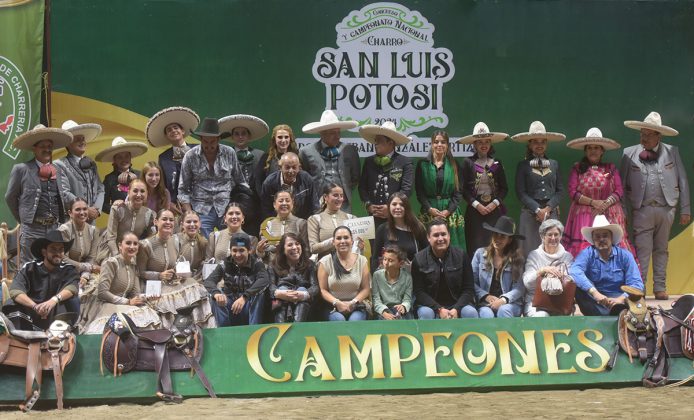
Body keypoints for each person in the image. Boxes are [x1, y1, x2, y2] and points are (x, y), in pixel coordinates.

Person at [620, 111, 690, 300]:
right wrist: (623, 211)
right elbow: (621, 185)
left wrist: (685, 208)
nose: (644, 137)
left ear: (658, 135)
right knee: (642, 249)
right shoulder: (628, 153)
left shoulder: (672, 151)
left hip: (666, 209)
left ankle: (660, 287)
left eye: (648, 134)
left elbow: (682, 179)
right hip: (641, 210)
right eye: (642, 133)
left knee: (661, 249)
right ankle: (638, 287)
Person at [5, 125, 72, 265]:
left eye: (49, 146)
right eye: (43, 146)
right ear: (34, 148)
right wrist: (24, 219)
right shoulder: (22, 169)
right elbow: (10, 197)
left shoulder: (57, 170)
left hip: (53, 227)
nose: (47, 149)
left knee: (53, 265)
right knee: (30, 267)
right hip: (32, 229)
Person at [562, 128, 635, 257]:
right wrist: (593, 202)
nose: (593, 151)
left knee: (610, 250)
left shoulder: (610, 168)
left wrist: (604, 205)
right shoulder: (577, 168)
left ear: (602, 151)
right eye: (590, 148)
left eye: (596, 148)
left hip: (608, 215)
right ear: (585, 151)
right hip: (584, 217)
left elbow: (619, 191)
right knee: (584, 252)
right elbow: (572, 192)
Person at [137, 209, 215, 328]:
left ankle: (197, 332)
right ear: (156, 222)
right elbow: (139, 272)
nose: (168, 222)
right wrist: (159, 275)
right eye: (164, 219)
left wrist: (176, 273)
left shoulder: (174, 241)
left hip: (171, 284)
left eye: (171, 220)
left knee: (197, 291)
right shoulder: (145, 244)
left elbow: (175, 264)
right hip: (153, 287)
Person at [78, 232, 161, 334]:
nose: (132, 246)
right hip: (104, 305)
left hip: (123, 305)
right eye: (128, 243)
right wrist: (127, 302)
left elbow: (135, 294)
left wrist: (147, 297)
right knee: (123, 325)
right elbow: (102, 293)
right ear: (120, 246)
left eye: (135, 244)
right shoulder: (110, 263)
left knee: (149, 314)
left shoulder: (133, 267)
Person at [178, 117, 247, 238]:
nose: (209, 145)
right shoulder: (190, 156)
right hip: (200, 208)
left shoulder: (229, 153)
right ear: (200, 139)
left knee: (229, 244)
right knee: (204, 245)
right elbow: (183, 188)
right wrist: (189, 212)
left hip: (226, 207)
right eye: (206, 141)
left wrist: (239, 205)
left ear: (219, 139)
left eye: (213, 142)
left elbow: (240, 181)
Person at [2, 229, 79, 330]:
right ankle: (19, 339)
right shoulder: (30, 268)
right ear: (44, 252)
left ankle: (60, 337)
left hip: (56, 312)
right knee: (11, 304)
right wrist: (35, 306)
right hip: (31, 313)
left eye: (61, 249)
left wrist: (53, 301)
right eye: (53, 249)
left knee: (72, 301)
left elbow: (72, 288)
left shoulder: (69, 269)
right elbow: (15, 291)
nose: (58, 253)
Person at [569, 215, 643, 316]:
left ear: (611, 238)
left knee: (637, 293)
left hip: (620, 299)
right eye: (597, 236)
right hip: (595, 300)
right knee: (577, 288)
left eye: (605, 235)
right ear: (593, 239)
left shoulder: (625, 255)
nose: (601, 239)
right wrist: (595, 293)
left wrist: (620, 299)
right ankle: (615, 313)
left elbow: (637, 283)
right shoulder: (586, 253)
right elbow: (574, 271)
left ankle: (616, 311)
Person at [512, 121, 566, 257]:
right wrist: (537, 209)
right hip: (530, 215)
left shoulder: (554, 164)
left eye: (543, 142)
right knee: (528, 250)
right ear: (530, 144)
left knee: (552, 249)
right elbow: (520, 192)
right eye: (535, 141)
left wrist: (547, 209)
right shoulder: (523, 165)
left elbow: (560, 191)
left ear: (546, 144)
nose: (539, 145)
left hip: (551, 214)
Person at [457, 122, 510, 255]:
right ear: (474, 144)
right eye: (480, 142)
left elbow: (504, 188)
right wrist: (476, 205)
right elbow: (463, 189)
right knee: (475, 245)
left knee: (494, 245)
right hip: (475, 211)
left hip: (494, 210)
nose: (484, 145)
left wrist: (495, 203)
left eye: (487, 141)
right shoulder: (467, 163)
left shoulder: (497, 163)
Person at [411, 220, 477, 319]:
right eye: (436, 235)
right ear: (428, 238)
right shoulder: (419, 259)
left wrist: (456, 309)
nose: (440, 238)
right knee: (426, 314)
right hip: (430, 306)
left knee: (470, 313)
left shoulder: (461, 255)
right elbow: (419, 291)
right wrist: (439, 309)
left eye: (443, 234)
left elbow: (468, 289)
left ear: (449, 236)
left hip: (458, 304)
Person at [219, 114, 269, 236]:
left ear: (249, 136)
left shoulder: (260, 155)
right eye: (236, 133)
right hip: (232, 204)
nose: (240, 136)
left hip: (255, 206)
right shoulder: (224, 155)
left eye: (243, 133)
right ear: (232, 136)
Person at [300, 110, 360, 213]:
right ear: (322, 133)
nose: (338, 136)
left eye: (338, 132)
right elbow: (304, 179)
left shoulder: (350, 150)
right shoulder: (306, 152)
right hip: (317, 205)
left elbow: (355, 177)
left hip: (343, 205)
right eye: (333, 133)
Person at [204, 232, 268, 326]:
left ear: (249, 250)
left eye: (241, 250)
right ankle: (223, 332)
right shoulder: (224, 263)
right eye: (234, 250)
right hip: (230, 306)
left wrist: (244, 297)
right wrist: (216, 293)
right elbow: (209, 281)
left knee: (260, 294)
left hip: (248, 306)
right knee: (215, 297)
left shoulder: (256, 263)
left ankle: (254, 330)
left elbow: (264, 280)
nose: (238, 255)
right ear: (230, 250)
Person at [415, 130, 466, 248]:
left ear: (447, 145)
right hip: (429, 211)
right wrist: (429, 208)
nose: (439, 145)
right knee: (428, 246)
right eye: (436, 142)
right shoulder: (422, 164)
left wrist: (448, 211)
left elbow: (458, 192)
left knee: (453, 247)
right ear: (431, 144)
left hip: (450, 212)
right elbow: (419, 191)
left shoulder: (455, 165)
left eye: (443, 142)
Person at [358, 121, 414, 227]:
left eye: (379, 141)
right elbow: (362, 187)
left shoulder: (404, 162)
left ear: (391, 143)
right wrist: (368, 205)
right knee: (373, 243)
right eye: (375, 141)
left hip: (396, 216)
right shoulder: (369, 161)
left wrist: (391, 208)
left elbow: (406, 190)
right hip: (373, 217)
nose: (376, 144)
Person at [145, 106, 200, 213]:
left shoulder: (198, 149)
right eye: (169, 130)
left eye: (176, 128)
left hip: (200, 203)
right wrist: (169, 203)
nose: (173, 131)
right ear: (166, 136)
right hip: (176, 206)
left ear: (183, 131)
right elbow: (162, 184)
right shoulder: (163, 158)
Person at [471, 216, 525, 318]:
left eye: (502, 236)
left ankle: (507, 334)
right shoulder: (480, 254)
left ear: (509, 240)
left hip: (510, 304)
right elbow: (471, 282)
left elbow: (519, 288)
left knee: (504, 311)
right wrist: (486, 296)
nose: (497, 239)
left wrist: (503, 300)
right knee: (486, 314)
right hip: (485, 303)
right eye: (495, 235)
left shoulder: (517, 258)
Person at [55, 120, 104, 224]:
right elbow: (64, 193)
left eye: (83, 139)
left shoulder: (92, 164)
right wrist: (86, 209)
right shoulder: (59, 164)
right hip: (71, 222)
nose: (82, 142)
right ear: (68, 143)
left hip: (91, 223)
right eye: (77, 139)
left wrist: (96, 210)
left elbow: (101, 189)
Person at [317, 226, 371, 321]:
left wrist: (353, 302)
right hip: (332, 307)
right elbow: (323, 290)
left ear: (352, 241)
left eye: (346, 237)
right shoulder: (325, 262)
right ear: (333, 242)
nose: (342, 241)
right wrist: (337, 303)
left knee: (354, 321)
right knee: (339, 320)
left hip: (356, 306)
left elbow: (366, 289)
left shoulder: (362, 261)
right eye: (338, 238)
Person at [523, 219, 574, 317]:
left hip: (561, 302)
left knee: (563, 317)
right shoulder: (534, 255)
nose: (553, 238)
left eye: (556, 234)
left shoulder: (568, 257)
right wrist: (542, 271)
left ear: (561, 236)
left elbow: (572, 281)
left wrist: (560, 276)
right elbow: (527, 283)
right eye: (549, 235)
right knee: (542, 316)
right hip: (536, 303)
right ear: (542, 236)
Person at [98, 179, 156, 262]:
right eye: (135, 191)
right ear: (128, 192)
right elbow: (111, 238)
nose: (139, 195)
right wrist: (118, 257)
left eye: (142, 191)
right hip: (112, 252)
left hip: (133, 253)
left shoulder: (149, 214)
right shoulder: (118, 209)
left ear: (147, 194)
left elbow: (152, 239)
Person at [268, 233, 318, 323]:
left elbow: (315, 287)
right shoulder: (273, 265)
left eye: (297, 244)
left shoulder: (310, 264)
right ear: (283, 249)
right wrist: (280, 293)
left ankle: (297, 327)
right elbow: (270, 287)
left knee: (302, 289)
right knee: (282, 288)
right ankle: (281, 327)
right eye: (290, 245)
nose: (294, 247)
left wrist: (302, 295)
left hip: (304, 303)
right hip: (281, 300)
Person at [371, 192, 427, 272]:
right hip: (389, 281)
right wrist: (376, 279)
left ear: (407, 207)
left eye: (401, 204)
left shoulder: (417, 228)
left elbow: (427, 254)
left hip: (414, 278)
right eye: (394, 204)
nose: (398, 207)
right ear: (389, 207)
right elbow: (375, 258)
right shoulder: (382, 229)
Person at [57, 198, 101, 298]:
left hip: (84, 274)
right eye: (78, 210)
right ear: (70, 213)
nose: (82, 213)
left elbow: (91, 258)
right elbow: (63, 259)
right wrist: (89, 267)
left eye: (85, 209)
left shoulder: (93, 230)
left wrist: (85, 276)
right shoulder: (64, 230)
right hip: (65, 273)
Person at [307, 183, 362, 261]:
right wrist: (333, 241)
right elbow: (313, 248)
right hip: (325, 266)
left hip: (349, 265)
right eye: (335, 195)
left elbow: (357, 247)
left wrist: (360, 248)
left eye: (341, 196)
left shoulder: (352, 218)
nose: (339, 199)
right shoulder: (314, 219)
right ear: (325, 197)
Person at [260, 152, 319, 220]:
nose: (291, 171)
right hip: (277, 222)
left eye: (294, 167)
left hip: (302, 222)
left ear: (299, 168)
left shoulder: (306, 179)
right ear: (280, 167)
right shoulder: (269, 183)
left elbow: (314, 206)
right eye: (287, 167)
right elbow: (265, 210)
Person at [97, 136, 148, 214]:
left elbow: (149, 198)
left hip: (140, 218)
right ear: (114, 160)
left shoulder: (139, 175)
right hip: (119, 222)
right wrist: (115, 208)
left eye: (126, 156)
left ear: (130, 157)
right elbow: (103, 205)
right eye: (120, 157)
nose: (124, 160)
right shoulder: (109, 179)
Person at [257, 190, 308, 265]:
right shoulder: (267, 225)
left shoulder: (301, 223)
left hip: (296, 268)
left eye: (287, 200)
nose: (284, 203)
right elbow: (264, 254)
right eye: (281, 201)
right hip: (272, 268)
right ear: (274, 204)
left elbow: (306, 250)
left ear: (292, 203)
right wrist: (260, 251)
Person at [253, 124, 300, 196]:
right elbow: (257, 181)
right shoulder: (266, 158)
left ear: (290, 139)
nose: (283, 140)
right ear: (274, 139)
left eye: (286, 137)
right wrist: (264, 199)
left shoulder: (297, 157)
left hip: (294, 201)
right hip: (271, 202)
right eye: (280, 137)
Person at [371, 246, 413, 320]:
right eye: (385, 259)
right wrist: (384, 312)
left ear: (401, 263)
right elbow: (376, 299)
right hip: (383, 309)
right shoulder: (377, 275)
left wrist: (403, 306)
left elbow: (408, 299)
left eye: (390, 260)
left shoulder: (407, 277)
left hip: (399, 308)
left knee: (406, 322)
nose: (386, 263)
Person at [177, 211, 209, 281]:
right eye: (188, 222)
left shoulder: (204, 242)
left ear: (200, 224)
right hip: (178, 280)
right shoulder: (175, 240)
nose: (192, 224)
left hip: (198, 279)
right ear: (182, 224)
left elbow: (205, 264)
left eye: (195, 222)